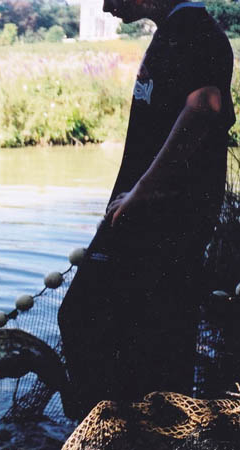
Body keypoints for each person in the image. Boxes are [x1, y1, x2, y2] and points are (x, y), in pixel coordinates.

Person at [57, 0, 235, 419]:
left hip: (166, 223)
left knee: (97, 318)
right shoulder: (175, 30)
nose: (104, 4)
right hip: (145, 218)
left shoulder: (194, 29)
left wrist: (142, 190)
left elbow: (206, 104)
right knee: (118, 326)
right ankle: (123, 424)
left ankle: (125, 427)